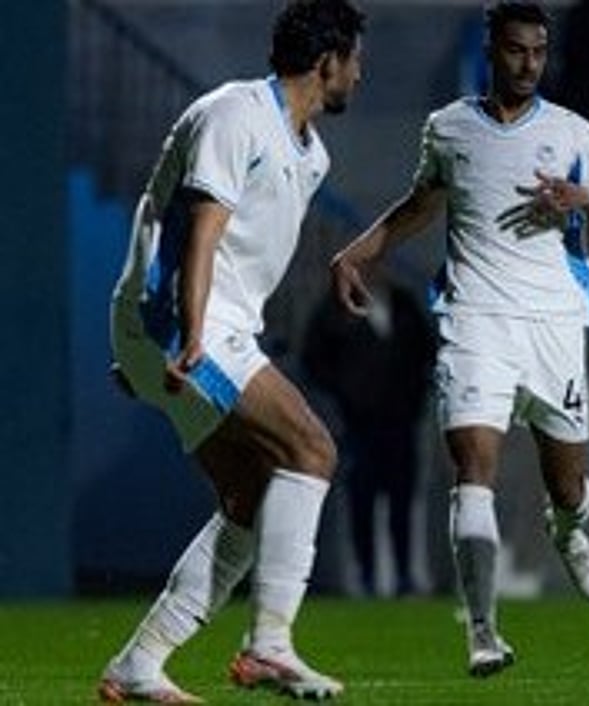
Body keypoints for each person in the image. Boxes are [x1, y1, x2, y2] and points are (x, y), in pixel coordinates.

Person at [329, 0, 589, 678]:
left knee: (568, 485)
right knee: (473, 471)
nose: (528, 64)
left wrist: (583, 202)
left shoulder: (574, 132)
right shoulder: (449, 127)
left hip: (554, 325)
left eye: (539, 52)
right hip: (474, 320)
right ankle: (484, 632)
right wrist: (356, 253)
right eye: (516, 50)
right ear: (490, 51)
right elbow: (423, 203)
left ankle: (567, 530)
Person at [99, 1, 365, 701]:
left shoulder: (312, 154)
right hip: (184, 322)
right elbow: (201, 230)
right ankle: (270, 645)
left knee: (251, 494)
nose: (358, 75)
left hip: (199, 326)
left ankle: (139, 663)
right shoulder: (234, 114)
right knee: (312, 448)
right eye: (354, 61)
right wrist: (182, 335)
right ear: (328, 61)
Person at [302, 276, 436, 596]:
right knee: (361, 499)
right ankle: (366, 573)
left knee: (402, 499)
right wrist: (345, 392)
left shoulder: (404, 305)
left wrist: (416, 394)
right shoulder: (336, 308)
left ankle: (404, 574)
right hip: (358, 423)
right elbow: (313, 358)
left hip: (401, 420)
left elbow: (427, 352)